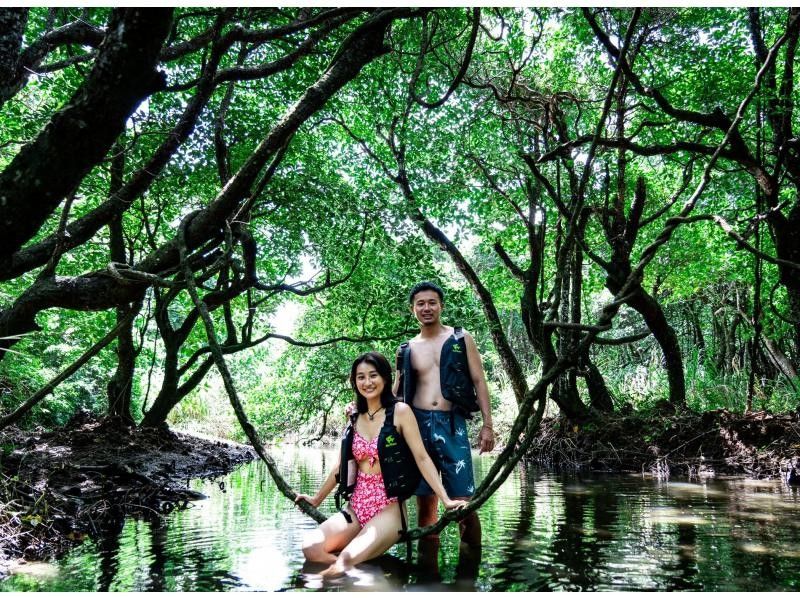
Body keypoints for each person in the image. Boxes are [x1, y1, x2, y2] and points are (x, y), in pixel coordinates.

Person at [295, 352, 467, 578]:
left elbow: (422, 458)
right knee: (311, 547)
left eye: (373, 375)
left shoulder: (400, 412)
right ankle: (372, 577)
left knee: (344, 561)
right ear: (354, 382)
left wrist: (446, 500)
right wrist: (316, 499)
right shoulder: (355, 417)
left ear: (385, 378)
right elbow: (340, 468)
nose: (367, 382)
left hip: (389, 508)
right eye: (361, 377)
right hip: (356, 507)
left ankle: (334, 577)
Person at [394, 281, 495, 549]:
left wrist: (488, 425)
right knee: (426, 506)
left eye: (432, 302)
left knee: (464, 504)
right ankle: (429, 579)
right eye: (420, 303)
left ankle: (469, 576)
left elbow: (479, 381)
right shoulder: (406, 348)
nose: (426, 308)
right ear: (412, 309)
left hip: (452, 425)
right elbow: (395, 393)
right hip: (417, 427)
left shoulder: (461, 339)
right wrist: (359, 409)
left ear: (441, 306)